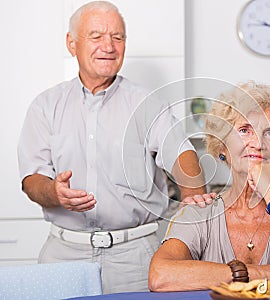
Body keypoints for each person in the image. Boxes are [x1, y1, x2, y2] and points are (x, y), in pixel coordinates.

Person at [17, 1, 208, 294]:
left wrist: (193, 195)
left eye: (117, 37)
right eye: (96, 36)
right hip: (64, 253)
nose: (109, 45)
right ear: (72, 43)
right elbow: (32, 180)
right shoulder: (45, 106)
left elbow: (181, 152)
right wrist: (54, 192)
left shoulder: (147, 103)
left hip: (136, 257)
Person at [148, 82, 270, 291]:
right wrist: (263, 273)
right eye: (245, 130)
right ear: (222, 146)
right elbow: (160, 276)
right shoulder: (199, 213)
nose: (258, 143)